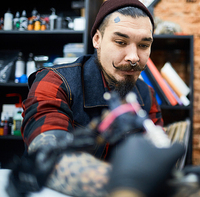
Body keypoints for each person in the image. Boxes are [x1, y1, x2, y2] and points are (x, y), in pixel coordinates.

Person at [20, 0, 164, 196]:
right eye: (121, 42)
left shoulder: (146, 94)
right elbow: (48, 155)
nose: (134, 57)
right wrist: (130, 185)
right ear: (97, 39)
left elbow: (156, 159)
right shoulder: (55, 82)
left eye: (144, 45)